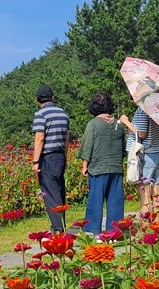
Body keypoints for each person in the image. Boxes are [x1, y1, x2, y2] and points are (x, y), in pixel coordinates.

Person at [78, 92, 127, 235]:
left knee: (95, 200)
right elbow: (123, 148)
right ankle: (115, 231)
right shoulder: (119, 125)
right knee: (115, 201)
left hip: (98, 168)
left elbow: (88, 146)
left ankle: (93, 229)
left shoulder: (93, 124)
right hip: (116, 167)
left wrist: (84, 165)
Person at [31, 85, 69, 233]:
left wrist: (35, 161)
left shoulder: (40, 114)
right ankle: (61, 224)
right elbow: (66, 138)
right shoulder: (63, 113)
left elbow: (39, 137)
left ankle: (58, 229)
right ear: (52, 98)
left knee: (50, 192)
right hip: (59, 155)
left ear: (37, 100)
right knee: (59, 190)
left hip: (47, 157)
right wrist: (65, 157)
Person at [126, 104, 159, 218]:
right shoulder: (158, 108)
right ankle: (158, 221)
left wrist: (126, 122)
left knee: (145, 191)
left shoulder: (143, 109)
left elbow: (142, 134)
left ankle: (145, 223)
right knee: (156, 189)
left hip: (147, 154)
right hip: (158, 151)